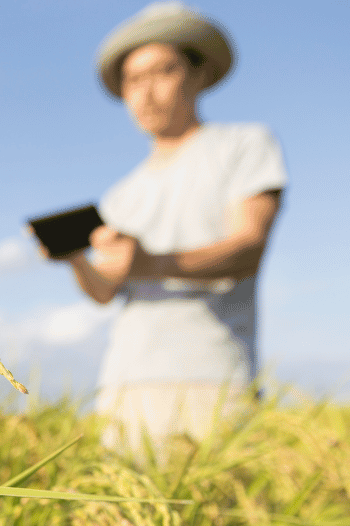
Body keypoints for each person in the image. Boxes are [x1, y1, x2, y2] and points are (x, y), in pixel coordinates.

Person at [39, 3, 287, 457]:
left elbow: (249, 247)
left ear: (198, 74)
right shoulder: (121, 194)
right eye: (133, 81)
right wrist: (76, 259)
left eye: (163, 72)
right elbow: (106, 290)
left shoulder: (244, 145)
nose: (146, 93)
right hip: (124, 380)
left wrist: (150, 262)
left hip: (211, 374)